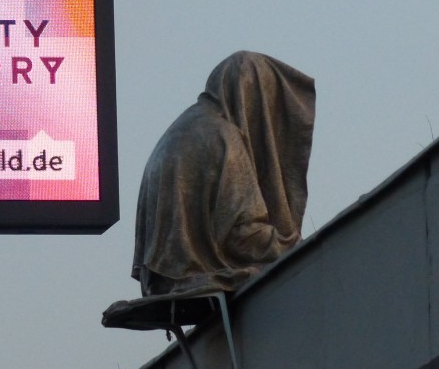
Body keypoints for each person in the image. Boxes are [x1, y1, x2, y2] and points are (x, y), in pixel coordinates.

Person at [132, 50, 315, 296]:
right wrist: (296, 248)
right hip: (193, 276)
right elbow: (243, 236)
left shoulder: (182, 129)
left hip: (161, 279)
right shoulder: (224, 138)